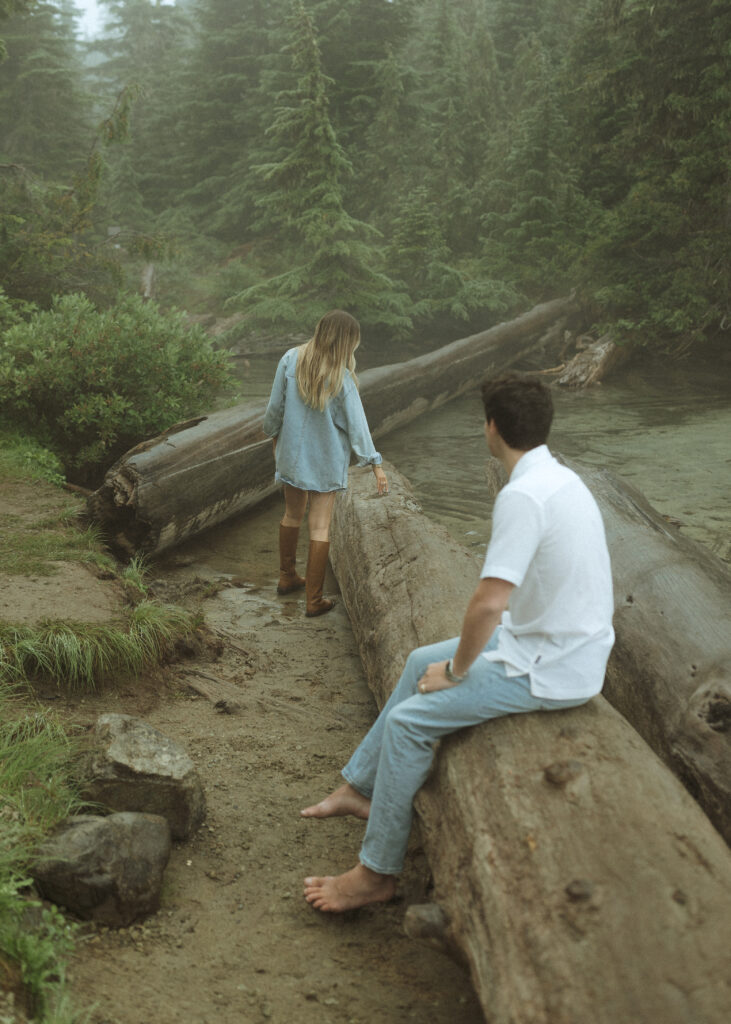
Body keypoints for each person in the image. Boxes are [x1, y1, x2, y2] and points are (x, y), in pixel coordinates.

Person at [301, 373, 615, 912]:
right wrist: (446, 663)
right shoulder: (559, 478)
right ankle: (361, 786)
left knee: (409, 723)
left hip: (552, 667)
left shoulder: (524, 496)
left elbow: (489, 603)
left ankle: (376, 872)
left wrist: (460, 671)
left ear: (491, 427)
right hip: (557, 642)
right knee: (421, 658)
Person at [262, 309, 388, 617]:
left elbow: (274, 409)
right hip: (325, 459)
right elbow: (358, 426)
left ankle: (286, 575)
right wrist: (375, 464)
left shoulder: (290, 359)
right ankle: (313, 600)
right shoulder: (341, 379)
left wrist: (273, 437)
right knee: (320, 526)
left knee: (292, 514)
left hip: (291, 454)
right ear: (345, 342)